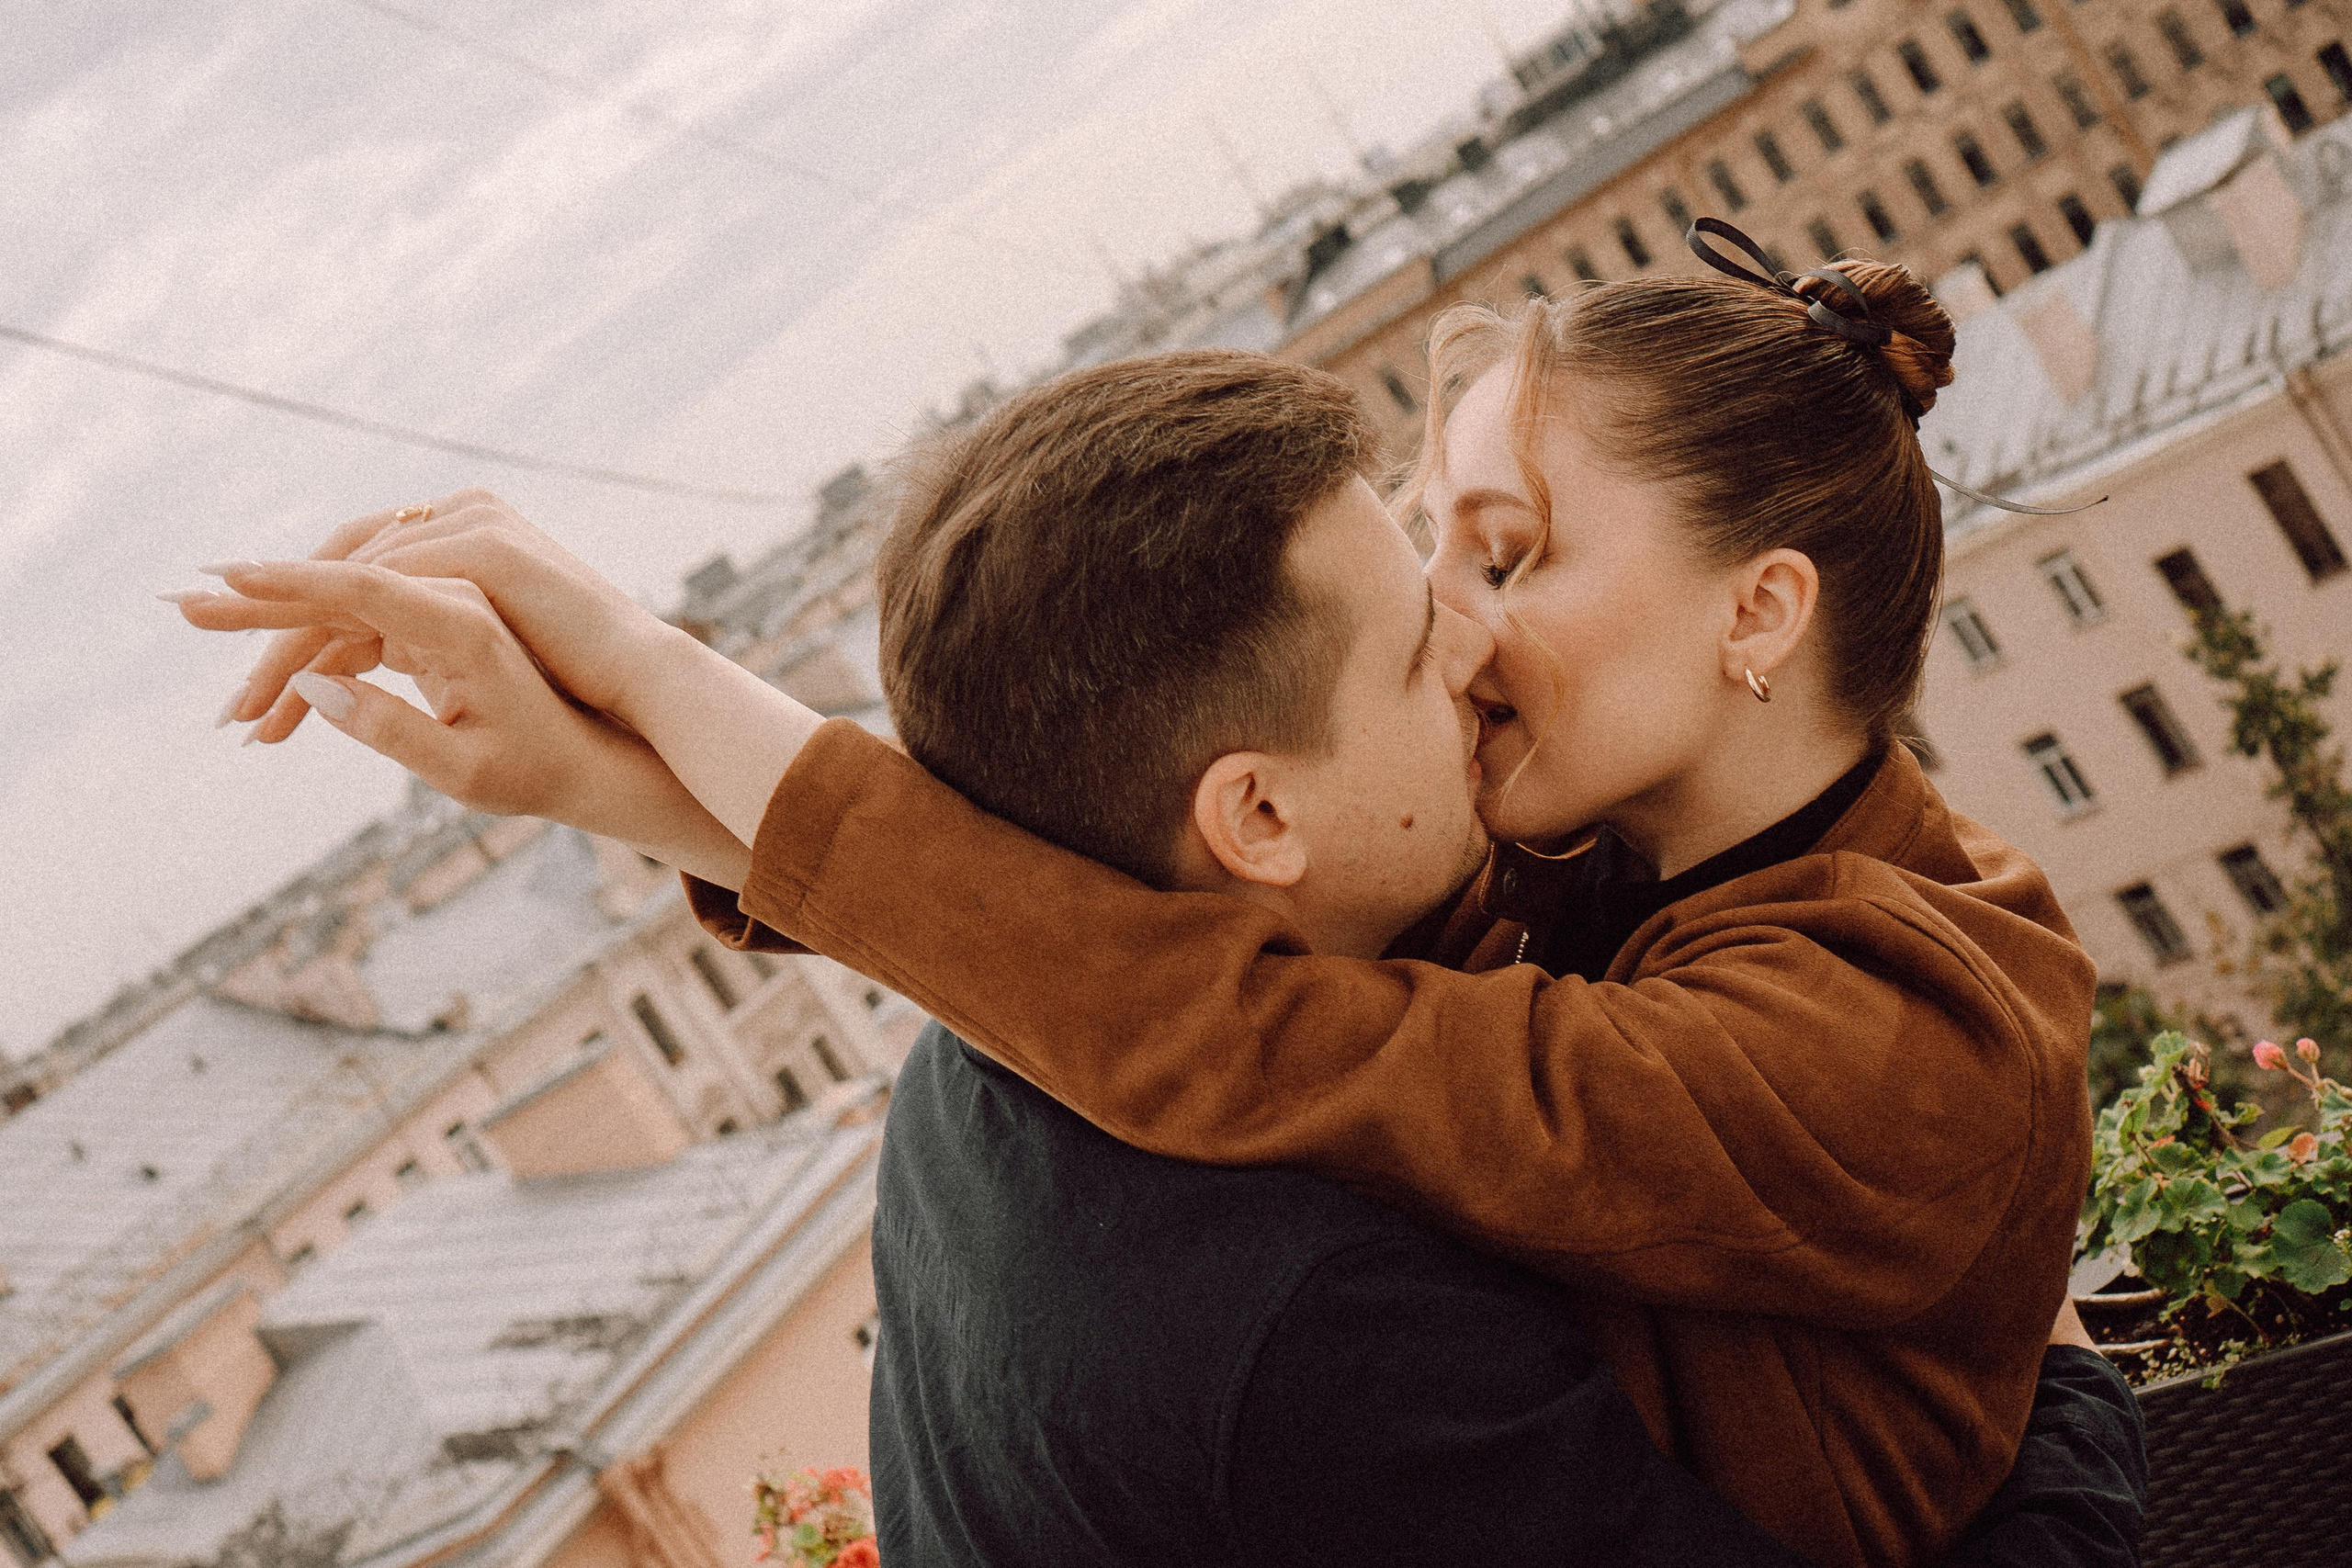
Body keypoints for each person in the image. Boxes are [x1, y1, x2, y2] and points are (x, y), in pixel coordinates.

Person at [176, 246, 2105, 1563]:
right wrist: (615, 749)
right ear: (1255, 810)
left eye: (1502, 548)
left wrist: (638, 694)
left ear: (1758, 612)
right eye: (1438, 552)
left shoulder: (1884, 1022)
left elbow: (1159, 988)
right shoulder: (1374, 1190)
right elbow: (1108, 945)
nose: (1455, 608)